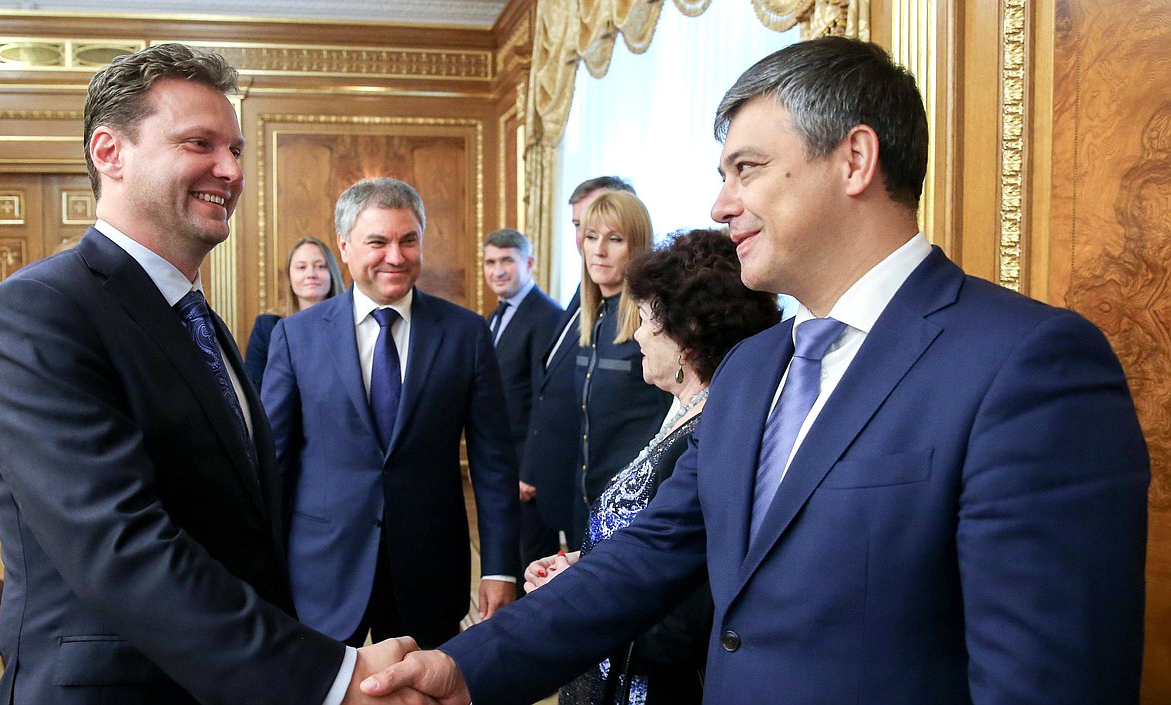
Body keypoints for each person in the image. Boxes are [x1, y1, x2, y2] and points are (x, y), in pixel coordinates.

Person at [362, 36, 1150, 705]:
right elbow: (643, 558)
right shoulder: (753, 368)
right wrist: (466, 667)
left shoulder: (1028, 366)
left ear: (854, 159)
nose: (719, 203)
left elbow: (1044, 680)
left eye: (745, 168)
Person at [0, 43, 422, 705]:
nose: (229, 169)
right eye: (199, 143)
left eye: (235, 149)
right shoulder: (37, 310)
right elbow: (121, 547)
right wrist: (330, 675)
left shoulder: (197, 316)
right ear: (108, 152)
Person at [261, 177, 520, 651]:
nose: (395, 257)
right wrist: (265, 568)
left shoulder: (466, 334)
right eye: (377, 242)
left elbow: (494, 462)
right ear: (344, 246)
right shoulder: (296, 337)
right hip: (323, 570)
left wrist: (500, 567)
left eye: (408, 240)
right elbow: (273, 461)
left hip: (429, 569)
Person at [527, 229, 780, 705]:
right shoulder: (683, 414)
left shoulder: (710, 442)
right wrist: (581, 567)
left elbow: (681, 628)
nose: (638, 333)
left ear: (684, 341)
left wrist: (574, 596)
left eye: (645, 319)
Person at [520, 177, 637, 550]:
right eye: (584, 231)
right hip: (576, 493)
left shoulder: (653, 318)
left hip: (627, 503)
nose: (596, 246)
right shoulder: (592, 303)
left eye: (613, 236)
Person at [573, 190, 672, 541]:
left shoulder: (655, 326)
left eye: (614, 239)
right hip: (586, 505)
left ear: (638, 247)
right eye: (590, 237)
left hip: (632, 513)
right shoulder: (592, 318)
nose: (598, 250)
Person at [482, 228, 565, 572]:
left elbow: (544, 399)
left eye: (507, 261)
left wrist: (530, 472)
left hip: (526, 471)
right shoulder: (496, 316)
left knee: (530, 563)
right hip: (502, 462)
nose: (497, 270)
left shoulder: (546, 316)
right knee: (508, 555)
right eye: (490, 262)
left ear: (529, 262)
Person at [244, 236, 345, 389]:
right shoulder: (267, 326)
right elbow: (254, 388)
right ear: (289, 277)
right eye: (301, 267)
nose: (311, 274)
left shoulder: (350, 324)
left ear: (332, 274)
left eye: (320, 266)